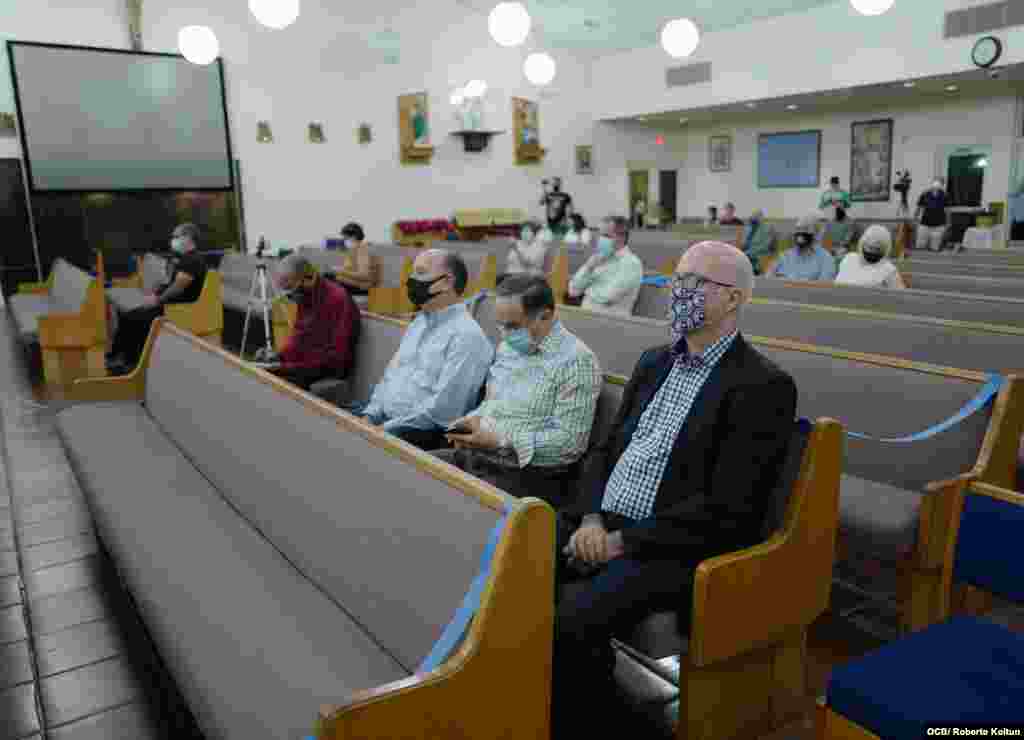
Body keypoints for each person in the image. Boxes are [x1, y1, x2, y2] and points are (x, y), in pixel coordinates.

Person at [551, 240, 797, 739]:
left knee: (572, 622)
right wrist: (593, 520)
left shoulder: (761, 385)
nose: (678, 291)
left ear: (733, 299)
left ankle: (592, 724)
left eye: (694, 282)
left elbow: (729, 507)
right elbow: (607, 451)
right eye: (676, 279)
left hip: (673, 544)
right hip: (607, 521)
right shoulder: (654, 362)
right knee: (509, 561)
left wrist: (621, 544)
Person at [435, 275, 602, 505]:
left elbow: (569, 445)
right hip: (478, 457)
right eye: (500, 325)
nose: (504, 334)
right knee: (411, 469)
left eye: (512, 326)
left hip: (526, 477)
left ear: (545, 316)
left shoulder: (576, 361)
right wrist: (472, 421)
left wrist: (502, 441)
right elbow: (492, 404)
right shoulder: (508, 348)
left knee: (445, 501)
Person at [346, 249, 493, 450]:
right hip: (387, 423)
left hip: (423, 435)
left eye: (421, 273)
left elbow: (443, 411)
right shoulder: (419, 323)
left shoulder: (467, 336)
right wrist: (370, 415)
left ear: (447, 282)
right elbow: (390, 377)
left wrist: (383, 429)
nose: (412, 280)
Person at [107, 223, 207, 374]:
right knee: (130, 314)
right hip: (168, 304)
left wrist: (158, 300)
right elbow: (171, 284)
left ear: (188, 238)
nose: (173, 240)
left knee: (134, 317)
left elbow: (178, 287)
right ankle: (122, 356)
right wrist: (156, 293)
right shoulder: (185, 258)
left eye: (176, 236)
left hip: (177, 308)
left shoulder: (192, 260)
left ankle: (129, 361)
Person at [262, 254, 360, 391]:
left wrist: (288, 367)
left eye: (291, 291)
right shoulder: (306, 296)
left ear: (308, 279)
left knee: (270, 383)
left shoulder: (337, 299)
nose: (290, 298)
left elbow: (337, 359)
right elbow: (298, 336)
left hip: (329, 369)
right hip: (305, 365)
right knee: (261, 373)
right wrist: (279, 356)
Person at [567, 216, 644, 316]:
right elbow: (573, 290)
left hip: (611, 323)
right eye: (600, 235)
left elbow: (608, 297)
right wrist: (589, 268)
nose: (601, 239)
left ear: (621, 237)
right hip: (586, 319)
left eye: (606, 235)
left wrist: (586, 291)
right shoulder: (597, 259)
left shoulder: (631, 263)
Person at [768, 215, 837, 282]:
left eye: (806, 229)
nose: (801, 232)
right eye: (798, 229)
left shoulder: (826, 259)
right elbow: (767, 278)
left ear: (816, 234)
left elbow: (824, 288)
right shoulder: (785, 256)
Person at [835, 224, 906, 289]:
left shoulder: (889, 270)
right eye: (870, 247)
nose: (872, 251)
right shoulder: (849, 258)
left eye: (877, 249)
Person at [334, 222, 379, 297]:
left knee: (327, 281)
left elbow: (364, 275)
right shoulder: (355, 250)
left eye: (345, 238)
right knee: (327, 278)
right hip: (355, 283)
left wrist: (341, 271)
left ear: (354, 237)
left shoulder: (362, 250)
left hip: (362, 287)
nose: (344, 241)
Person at [915, 178, 949, 253]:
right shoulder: (925, 194)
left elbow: (947, 210)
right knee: (920, 246)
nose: (937, 184)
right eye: (936, 182)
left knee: (934, 247)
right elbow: (919, 207)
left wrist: (947, 224)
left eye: (940, 182)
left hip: (939, 225)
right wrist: (916, 218)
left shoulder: (945, 196)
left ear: (942, 185)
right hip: (925, 223)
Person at [741, 209, 776, 276]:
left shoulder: (768, 228)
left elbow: (765, 246)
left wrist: (749, 253)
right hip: (747, 254)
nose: (754, 217)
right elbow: (744, 243)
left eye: (757, 216)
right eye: (753, 216)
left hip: (759, 255)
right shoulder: (749, 227)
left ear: (761, 217)